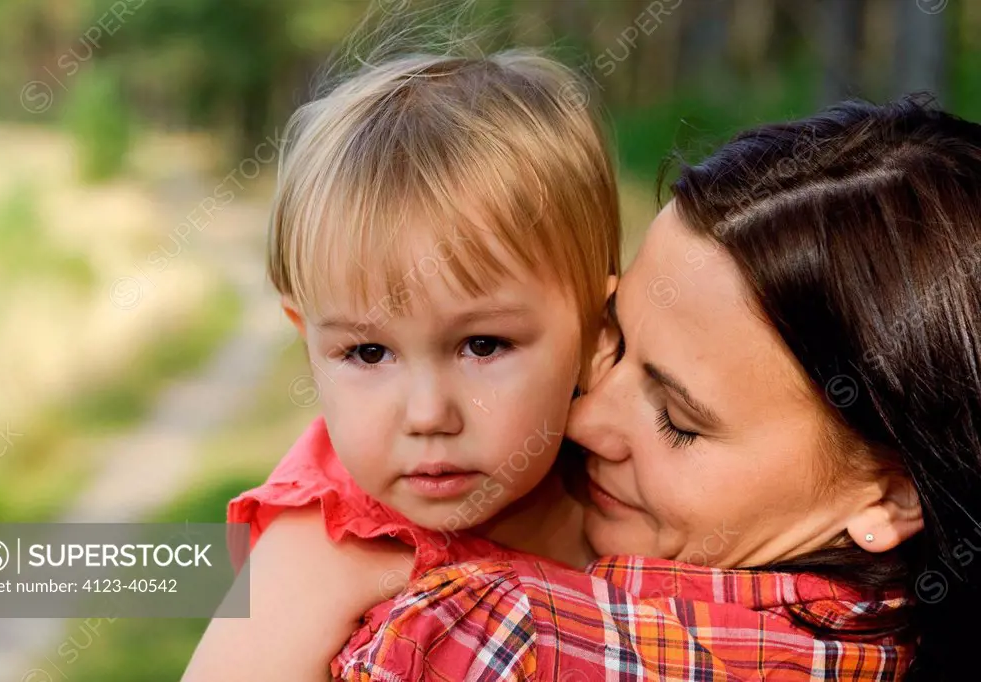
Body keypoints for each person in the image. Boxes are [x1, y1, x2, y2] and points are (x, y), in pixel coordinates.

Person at [332, 96, 981, 681]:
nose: (585, 423)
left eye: (677, 420)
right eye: (610, 345)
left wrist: (321, 551)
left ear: (890, 496)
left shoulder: (489, 638)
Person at [182, 47, 621, 681]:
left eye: (483, 345)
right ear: (309, 343)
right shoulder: (321, 553)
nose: (427, 415)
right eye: (367, 352)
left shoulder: (630, 491)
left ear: (596, 332)